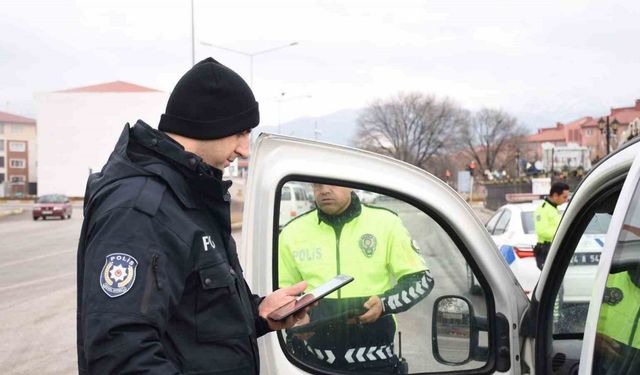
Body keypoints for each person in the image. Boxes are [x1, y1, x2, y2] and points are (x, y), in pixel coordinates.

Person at [76, 57, 310, 375]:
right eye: (241, 133)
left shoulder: (189, 197)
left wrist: (259, 314)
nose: (245, 149)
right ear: (209, 123)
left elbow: (191, 324)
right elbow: (120, 355)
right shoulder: (143, 209)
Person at [278, 184, 434, 374]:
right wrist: (295, 317)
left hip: (375, 361)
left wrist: (384, 304)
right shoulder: (292, 232)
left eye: (332, 182)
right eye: (317, 184)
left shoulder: (386, 222)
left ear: (349, 183)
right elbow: (281, 292)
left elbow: (421, 279)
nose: (324, 190)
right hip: (310, 361)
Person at [533, 182, 570, 269]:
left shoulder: (553, 209)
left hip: (554, 248)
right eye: (564, 197)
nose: (566, 199)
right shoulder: (543, 209)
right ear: (555, 195)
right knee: (552, 281)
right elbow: (542, 231)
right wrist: (563, 233)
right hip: (546, 250)